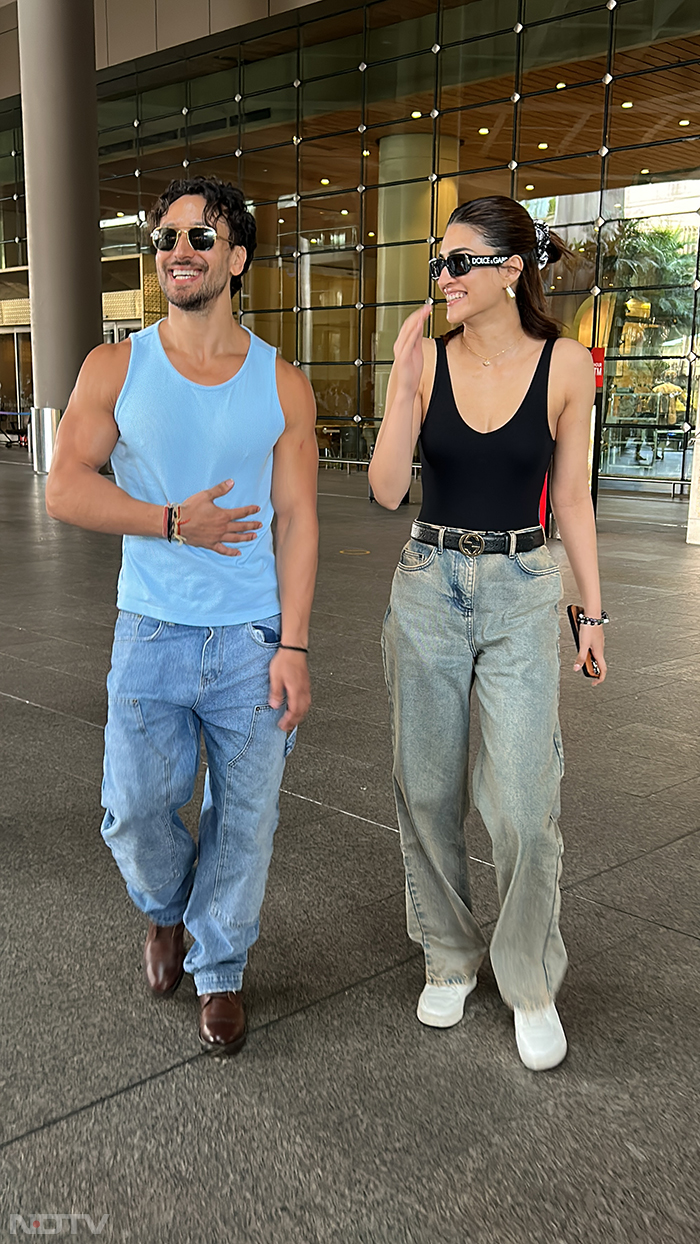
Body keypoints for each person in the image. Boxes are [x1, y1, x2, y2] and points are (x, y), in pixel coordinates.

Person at [46, 175, 318, 1056]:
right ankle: (167, 912)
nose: (178, 252)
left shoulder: (282, 383)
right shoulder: (116, 367)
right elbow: (64, 489)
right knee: (133, 811)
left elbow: (301, 519)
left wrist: (296, 645)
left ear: (237, 257)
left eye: (199, 238)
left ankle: (221, 966)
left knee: (248, 817)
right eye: (165, 238)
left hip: (251, 640)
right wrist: (171, 522)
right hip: (152, 630)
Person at [368, 195, 607, 1072]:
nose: (444, 277)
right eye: (439, 262)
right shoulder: (426, 363)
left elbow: (574, 503)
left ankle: (529, 980)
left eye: (460, 261)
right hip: (429, 582)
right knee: (426, 790)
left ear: (512, 271)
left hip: (522, 587)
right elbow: (388, 490)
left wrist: (592, 611)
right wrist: (399, 384)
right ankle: (449, 954)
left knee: (522, 803)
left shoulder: (568, 365)